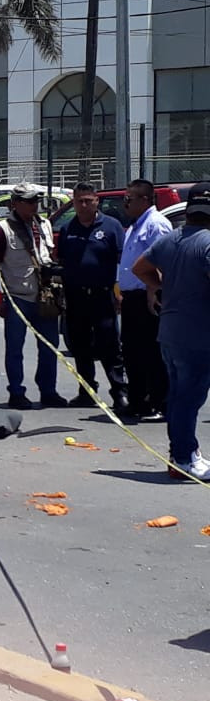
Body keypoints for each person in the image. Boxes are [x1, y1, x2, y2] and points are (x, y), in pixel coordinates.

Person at [131, 182, 210, 480]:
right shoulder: (207, 243)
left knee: (178, 396)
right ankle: (184, 458)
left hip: (170, 331)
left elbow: (139, 268)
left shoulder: (171, 240)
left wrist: (161, 287)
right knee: (189, 398)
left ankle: (181, 454)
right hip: (198, 334)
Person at [0, 182, 68, 409]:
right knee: (15, 349)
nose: (34, 205)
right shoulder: (3, 229)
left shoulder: (44, 225)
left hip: (45, 295)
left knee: (50, 346)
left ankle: (48, 391)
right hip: (18, 296)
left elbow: (50, 255)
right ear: (15, 204)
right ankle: (16, 392)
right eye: (29, 201)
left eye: (36, 200)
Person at [56, 183, 129, 411]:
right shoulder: (68, 229)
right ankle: (86, 391)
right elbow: (62, 261)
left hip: (103, 296)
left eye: (88, 200)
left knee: (110, 346)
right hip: (76, 297)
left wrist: (118, 292)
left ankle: (120, 392)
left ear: (97, 201)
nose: (84, 205)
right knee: (80, 346)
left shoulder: (111, 226)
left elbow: (122, 261)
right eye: (79, 201)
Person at [118, 178, 173, 422]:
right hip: (131, 298)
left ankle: (158, 403)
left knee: (152, 352)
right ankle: (138, 401)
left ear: (144, 199)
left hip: (147, 297)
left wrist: (153, 290)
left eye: (129, 198)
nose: (125, 203)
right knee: (132, 351)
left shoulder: (155, 224)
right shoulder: (134, 226)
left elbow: (162, 261)